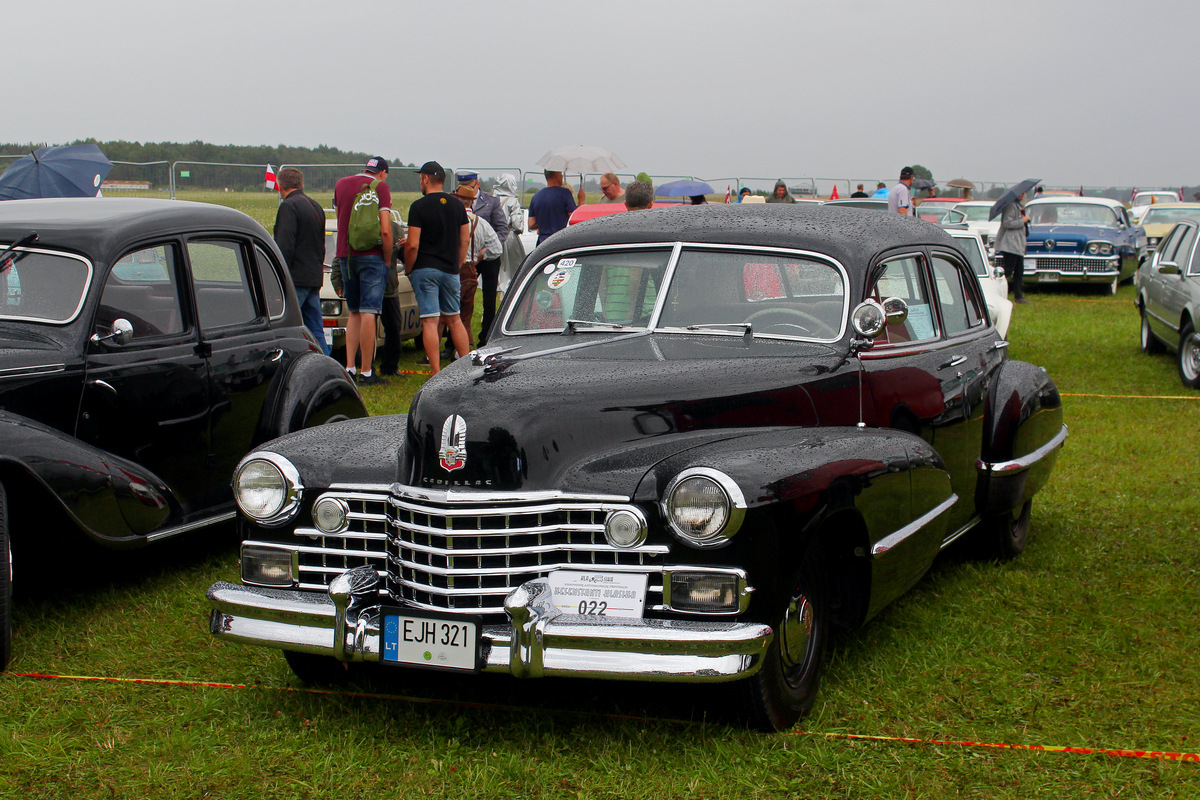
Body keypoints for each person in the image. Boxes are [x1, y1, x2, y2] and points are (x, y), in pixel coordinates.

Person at [403, 161, 471, 374]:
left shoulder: (418, 207)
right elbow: (465, 240)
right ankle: (467, 368)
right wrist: (457, 264)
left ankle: (435, 372)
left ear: (425, 178)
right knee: (455, 319)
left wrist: (409, 267)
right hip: (450, 269)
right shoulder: (458, 206)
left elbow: (413, 244)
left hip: (425, 268)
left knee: (430, 322)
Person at [332, 156, 393, 385]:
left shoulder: (341, 184)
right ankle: (367, 371)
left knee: (354, 311)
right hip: (372, 255)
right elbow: (385, 230)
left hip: (345, 254)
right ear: (382, 173)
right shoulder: (381, 188)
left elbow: (340, 220)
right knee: (370, 310)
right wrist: (386, 258)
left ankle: (349, 367)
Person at [272, 167, 328, 355]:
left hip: (295, 278)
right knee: (316, 330)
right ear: (300, 184)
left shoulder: (289, 206)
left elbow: (284, 245)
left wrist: (278, 275)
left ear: (280, 186)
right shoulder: (315, 206)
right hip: (313, 277)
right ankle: (326, 362)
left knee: (285, 327)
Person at [456, 173, 508, 345]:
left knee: (489, 299)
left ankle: (486, 337)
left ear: (477, 184)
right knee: (460, 299)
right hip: (466, 257)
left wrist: (484, 251)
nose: (467, 188)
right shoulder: (456, 199)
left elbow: (501, 229)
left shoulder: (491, 201)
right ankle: (453, 341)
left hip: (488, 257)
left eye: (470, 185)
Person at [994, 190, 1031, 304]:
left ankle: (1018, 297)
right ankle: (996, 291)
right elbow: (1007, 223)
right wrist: (1022, 220)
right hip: (1010, 245)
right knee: (1008, 271)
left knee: (1019, 271)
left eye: (1023, 193)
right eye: (1021, 193)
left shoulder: (1018, 206)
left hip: (1018, 245)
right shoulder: (1011, 206)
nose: (1022, 194)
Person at [493, 173, 526, 293]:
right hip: (509, 237)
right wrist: (520, 228)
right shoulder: (513, 201)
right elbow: (517, 224)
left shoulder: (492, 199)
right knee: (512, 271)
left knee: (497, 271)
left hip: (494, 238)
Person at [528, 170, 581, 245]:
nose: (562, 176)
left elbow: (531, 224)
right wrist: (581, 200)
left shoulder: (536, 197)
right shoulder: (565, 194)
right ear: (556, 174)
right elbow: (573, 218)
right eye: (561, 174)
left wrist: (544, 223)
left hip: (543, 243)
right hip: (561, 241)